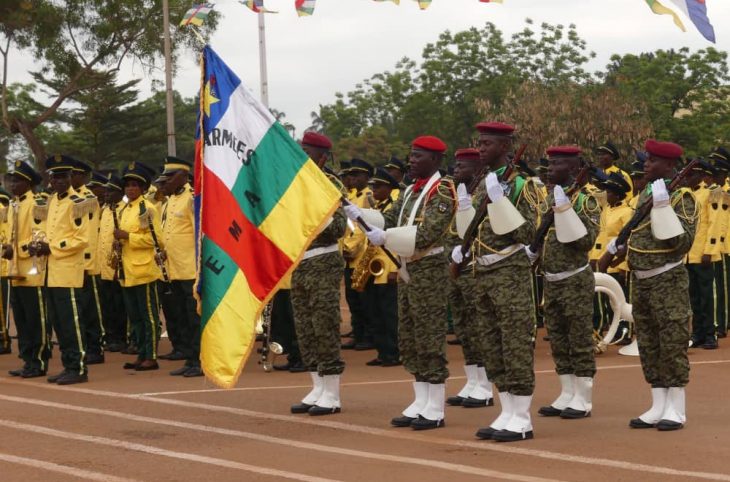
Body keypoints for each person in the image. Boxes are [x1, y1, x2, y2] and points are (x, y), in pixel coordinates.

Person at [345, 135, 456, 430]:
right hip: (409, 269)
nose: (411, 160)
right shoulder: (409, 192)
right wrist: (361, 215)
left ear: (434, 160)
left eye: (418, 156)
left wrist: (387, 237)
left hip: (429, 269)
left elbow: (429, 232)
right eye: (412, 155)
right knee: (410, 336)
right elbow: (389, 218)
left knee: (429, 336)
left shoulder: (442, 190)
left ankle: (435, 405)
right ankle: (421, 399)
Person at [454, 122, 542, 442]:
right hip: (483, 274)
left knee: (515, 344)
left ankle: (521, 416)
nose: (481, 149)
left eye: (487, 144)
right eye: (479, 143)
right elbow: (473, 232)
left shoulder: (521, 185)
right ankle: (506, 410)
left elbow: (529, 234)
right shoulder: (482, 184)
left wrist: (501, 202)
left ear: (505, 148)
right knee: (493, 346)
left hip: (510, 273)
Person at [602, 139, 697, 431]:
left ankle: (676, 408)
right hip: (641, 280)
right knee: (650, 343)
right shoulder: (645, 195)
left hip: (667, 279)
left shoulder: (681, 197)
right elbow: (638, 235)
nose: (646, 164)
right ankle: (658, 404)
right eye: (647, 159)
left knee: (671, 342)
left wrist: (664, 207)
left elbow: (681, 243)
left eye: (653, 160)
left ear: (669, 166)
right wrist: (618, 248)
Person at [530, 146, 600, 420]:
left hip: (574, 279)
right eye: (549, 163)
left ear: (573, 168)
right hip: (552, 280)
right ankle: (567, 392)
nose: (550, 168)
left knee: (579, 337)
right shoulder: (549, 199)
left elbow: (585, 241)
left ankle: (584, 396)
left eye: (557, 163)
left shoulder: (586, 201)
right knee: (558, 337)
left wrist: (566, 209)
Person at [290, 132, 347, 416]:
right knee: (306, 328)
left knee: (324, 325)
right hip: (299, 264)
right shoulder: (294, 185)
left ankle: (332, 391)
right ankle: (317, 385)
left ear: (322, 158)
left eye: (307, 152)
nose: (301, 156)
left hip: (323, 261)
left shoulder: (330, 185)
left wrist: (306, 220)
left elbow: (338, 227)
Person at [445, 148, 493, 408]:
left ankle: (485, 386)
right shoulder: (462, 192)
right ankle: (472, 381)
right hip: (457, 268)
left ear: (475, 169)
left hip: (473, 268)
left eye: (461, 166)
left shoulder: (484, 191)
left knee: (478, 326)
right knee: (463, 326)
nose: (455, 170)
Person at [39, 155, 90, 385]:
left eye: (64, 177)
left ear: (71, 177)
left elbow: (81, 239)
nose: (59, 181)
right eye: (56, 177)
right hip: (51, 271)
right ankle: (68, 364)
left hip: (68, 271)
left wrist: (52, 247)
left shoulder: (78, 202)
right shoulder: (52, 202)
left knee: (72, 322)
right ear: (50, 179)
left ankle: (78, 368)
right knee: (59, 323)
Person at [115, 161, 164, 372]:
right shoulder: (125, 209)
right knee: (135, 317)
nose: (130, 189)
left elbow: (156, 240)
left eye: (135, 185)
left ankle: (151, 356)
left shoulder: (147, 208)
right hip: (127, 270)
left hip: (144, 270)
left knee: (149, 316)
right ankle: (141, 353)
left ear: (143, 188)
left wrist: (128, 237)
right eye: (127, 185)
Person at [158, 157, 203, 377]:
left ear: (183, 176)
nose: (166, 181)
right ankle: (189, 357)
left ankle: (199, 360)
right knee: (182, 316)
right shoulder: (168, 202)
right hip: (173, 269)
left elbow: (198, 234)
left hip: (189, 269)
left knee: (194, 316)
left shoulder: (192, 198)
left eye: (170, 177)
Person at [4, 161, 48, 377]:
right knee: (20, 319)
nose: (13, 184)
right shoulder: (14, 205)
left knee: (35, 318)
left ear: (29, 183)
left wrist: (18, 249)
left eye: (18, 181)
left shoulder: (37, 202)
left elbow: (40, 234)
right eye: (12, 180)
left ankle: (39, 361)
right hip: (15, 269)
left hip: (33, 270)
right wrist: (6, 248)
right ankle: (27, 359)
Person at [361, 167, 401, 367]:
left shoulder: (393, 208)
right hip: (374, 267)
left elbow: (396, 238)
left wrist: (396, 269)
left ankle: (394, 352)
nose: (374, 190)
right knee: (375, 312)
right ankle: (382, 351)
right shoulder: (377, 208)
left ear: (389, 188)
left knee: (389, 314)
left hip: (388, 267)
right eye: (373, 186)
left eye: (378, 186)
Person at [70, 160, 105, 365]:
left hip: (86, 263)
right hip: (68, 264)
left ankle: (95, 347)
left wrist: (86, 262)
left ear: (82, 177)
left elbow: (90, 234)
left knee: (91, 307)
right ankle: (83, 344)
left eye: (73, 175)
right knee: (78, 308)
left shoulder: (87, 198)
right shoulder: (64, 198)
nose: (70, 178)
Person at [684, 160, 720, 350]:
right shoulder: (687, 194)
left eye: (691, 175)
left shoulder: (712, 193)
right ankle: (697, 333)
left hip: (703, 253)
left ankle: (710, 333)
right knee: (694, 296)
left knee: (707, 295)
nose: (688, 179)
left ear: (700, 175)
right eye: (687, 176)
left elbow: (714, 223)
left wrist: (709, 250)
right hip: (688, 254)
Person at [341, 159, 376, 351]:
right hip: (349, 257)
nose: (352, 179)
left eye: (357, 175)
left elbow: (364, 228)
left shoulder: (368, 197)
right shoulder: (352, 197)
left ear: (367, 177)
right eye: (351, 175)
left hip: (361, 254)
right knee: (352, 299)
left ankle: (369, 336)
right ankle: (358, 333)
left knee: (365, 300)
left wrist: (348, 247)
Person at [96, 173, 128, 352]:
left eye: (110, 191)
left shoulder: (123, 209)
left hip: (118, 267)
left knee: (119, 306)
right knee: (107, 305)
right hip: (104, 266)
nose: (106, 194)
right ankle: (111, 337)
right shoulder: (104, 210)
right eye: (106, 191)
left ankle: (121, 338)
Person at [707, 147, 730, 339]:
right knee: (721, 287)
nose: (713, 178)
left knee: (723, 287)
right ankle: (722, 323)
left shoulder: (727, 191)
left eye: (717, 173)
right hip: (721, 246)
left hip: (726, 244)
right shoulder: (716, 191)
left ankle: (722, 323)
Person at [0, 188, 11, 355]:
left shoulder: (2, 208)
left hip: (2, 263)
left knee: (1, 307)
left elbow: (6, 234)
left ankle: (4, 339)